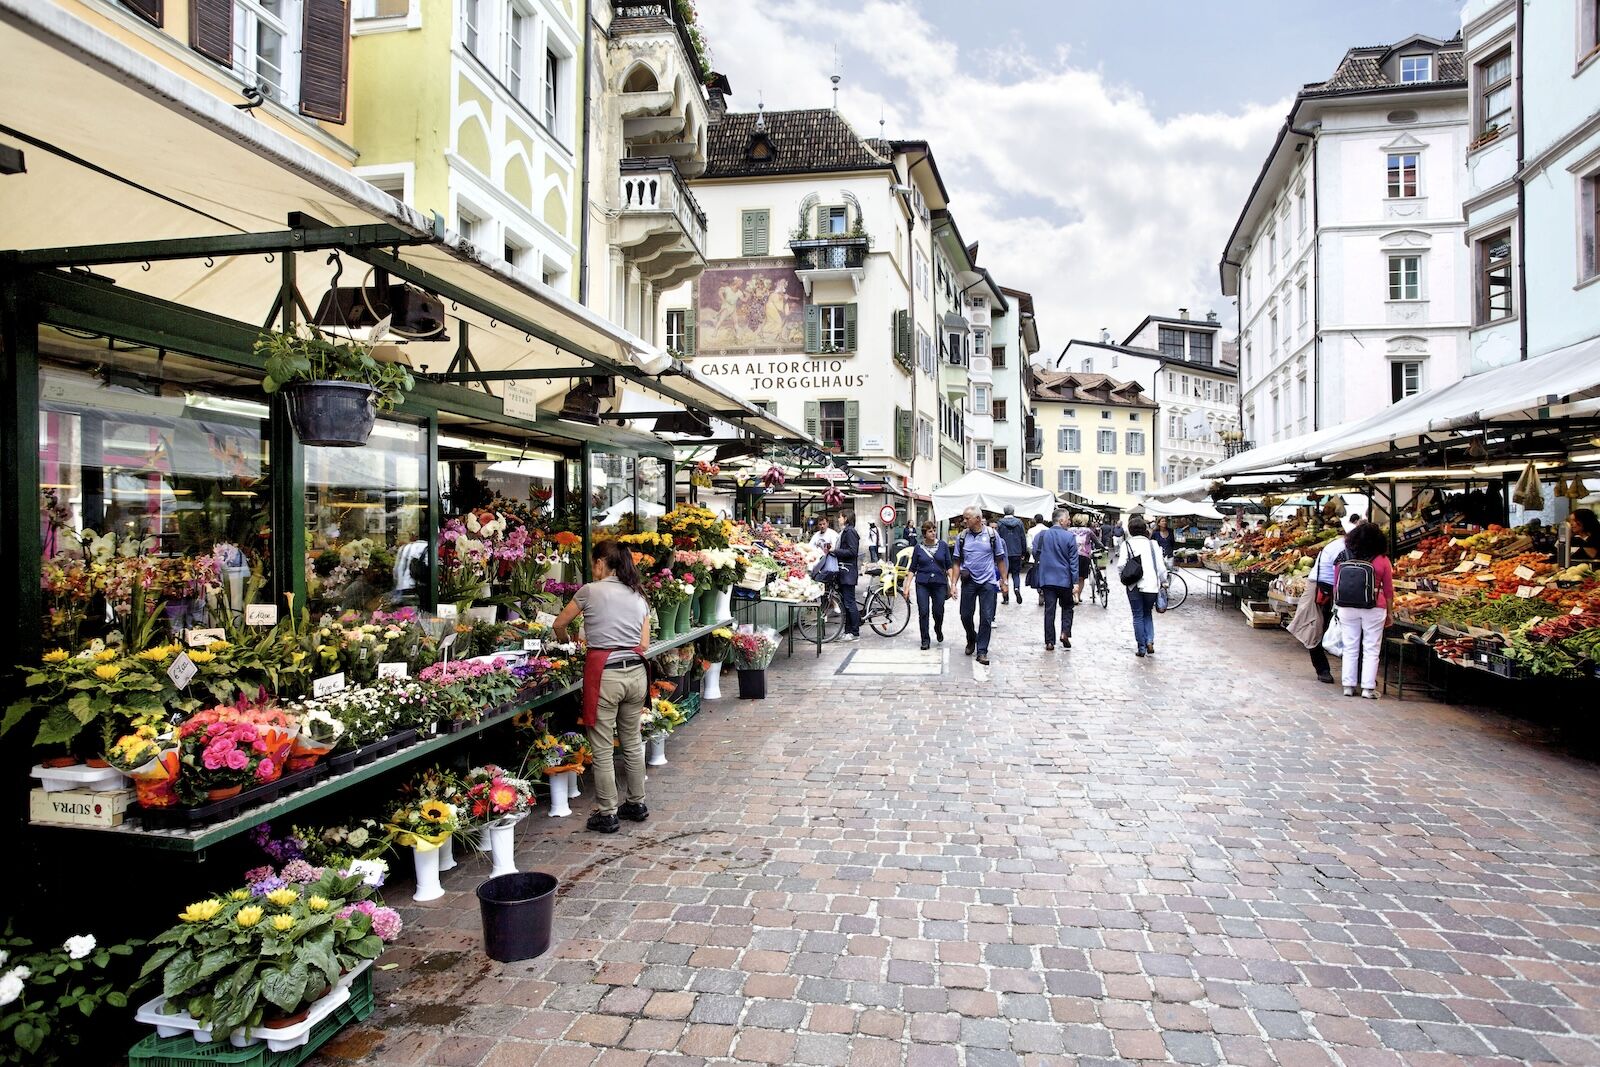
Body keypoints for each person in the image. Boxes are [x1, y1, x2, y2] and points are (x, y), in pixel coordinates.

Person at [554, 539, 650, 834]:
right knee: (632, 741)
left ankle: (607, 812)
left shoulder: (589, 591)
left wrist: (568, 644)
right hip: (636, 674)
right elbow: (644, 644)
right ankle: (636, 803)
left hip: (605, 675)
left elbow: (559, 624)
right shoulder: (638, 594)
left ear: (600, 563)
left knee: (603, 746)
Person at [1336, 520, 1395, 699]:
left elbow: (1336, 584)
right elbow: (1388, 589)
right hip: (1374, 607)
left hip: (1346, 607)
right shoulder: (1382, 560)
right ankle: (1368, 688)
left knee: (1350, 646)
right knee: (1371, 647)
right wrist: (1390, 612)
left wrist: (1337, 605)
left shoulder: (1343, 556)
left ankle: (1348, 685)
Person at [1305, 512, 1363, 684]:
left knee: (1347, 631)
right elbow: (1343, 572)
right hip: (1322, 587)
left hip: (1341, 588)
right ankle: (1322, 669)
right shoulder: (1343, 548)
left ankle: (1354, 674)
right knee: (1316, 629)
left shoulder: (1352, 546)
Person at [951, 506, 1007, 665]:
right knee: (965, 615)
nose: (964, 521)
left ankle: (982, 651)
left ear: (977, 518)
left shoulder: (991, 534)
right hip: (969, 581)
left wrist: (1004, 580)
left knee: (986, 617)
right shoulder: (962, 537)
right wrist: (953, 584)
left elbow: (1000, 559)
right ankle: (971, 637)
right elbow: (956, 562)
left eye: (966, 518)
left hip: (988, 582)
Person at [1115, 514, 1169, 658]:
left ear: (1130, 530)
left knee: (1137, 615)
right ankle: (1150, 640)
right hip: (1151, 585)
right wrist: (1164, 581)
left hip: (1134, 585)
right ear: (1145, 529)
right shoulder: (1153, 544)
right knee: (1147, 613)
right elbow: (1161, 568)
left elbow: (1120, 565)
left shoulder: (1127, 544)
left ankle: (1141, 646)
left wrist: (1123, 578)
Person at [1033, 509, 1081, 651]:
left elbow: (1035, 553)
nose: (1069, 521)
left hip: (1047, 579)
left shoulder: (1041, 536)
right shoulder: (1069, 537)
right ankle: (1064, 632)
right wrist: (1076, 582)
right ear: (1061, 521)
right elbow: (1074, 561)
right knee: (1067, 607)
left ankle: (1049, 641)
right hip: (1064, 579)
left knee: (1049, 610)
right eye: (1067, 519)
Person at [909, 520, 953, 650]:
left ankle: (938, 628)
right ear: (924, 533)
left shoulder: (943, 545)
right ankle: (925, 639)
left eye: (934, 530)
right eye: (930, 531)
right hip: (922, 583)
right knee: (923, 611)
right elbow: (912, 568)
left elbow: (949, 566)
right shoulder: (918, 548)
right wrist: (906, 587)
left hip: (939, 583)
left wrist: (953, 583)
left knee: (938, 611)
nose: (933, 533)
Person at [834, 511, 862, 641]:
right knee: (847, 603)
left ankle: (855, 632)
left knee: (850, 603)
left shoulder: (850, 532)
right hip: (844, 571)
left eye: (840, 517)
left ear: (845, 518)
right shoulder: (846, 531)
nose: (838, 519)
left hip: (848, 572)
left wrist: (835, 551)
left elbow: (852, 551)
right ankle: (847, 631)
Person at [996, 506, 1028, 606]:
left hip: (1003, 553)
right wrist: (1023, 552)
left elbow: (997, 538)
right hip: (1016, 552)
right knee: (1015, 573)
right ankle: (1016, 588)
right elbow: (1023, 537)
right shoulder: (1019, 523)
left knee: (1004, 575)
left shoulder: (1000, 523)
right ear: (1013, 512)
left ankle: (1005, 597)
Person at [1069, 513, 1096, 604]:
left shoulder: (1069, 530)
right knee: (1081, 578)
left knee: (1071, 576)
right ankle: (1078, 596)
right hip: (1084, 556)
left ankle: (1073, 595)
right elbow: (1096, 541)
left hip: (1071, 556)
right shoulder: (1088, 531)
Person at [1025, 514, 1049, 605]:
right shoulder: (1048, 530)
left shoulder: (1031, 531)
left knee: (1037, 575)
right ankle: (1045, 590)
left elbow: (1029, 545)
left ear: (1035, 520)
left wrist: (1032, 554)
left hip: (1035, 557)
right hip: (1047, 557)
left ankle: (1040, 590)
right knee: (1046, 575)